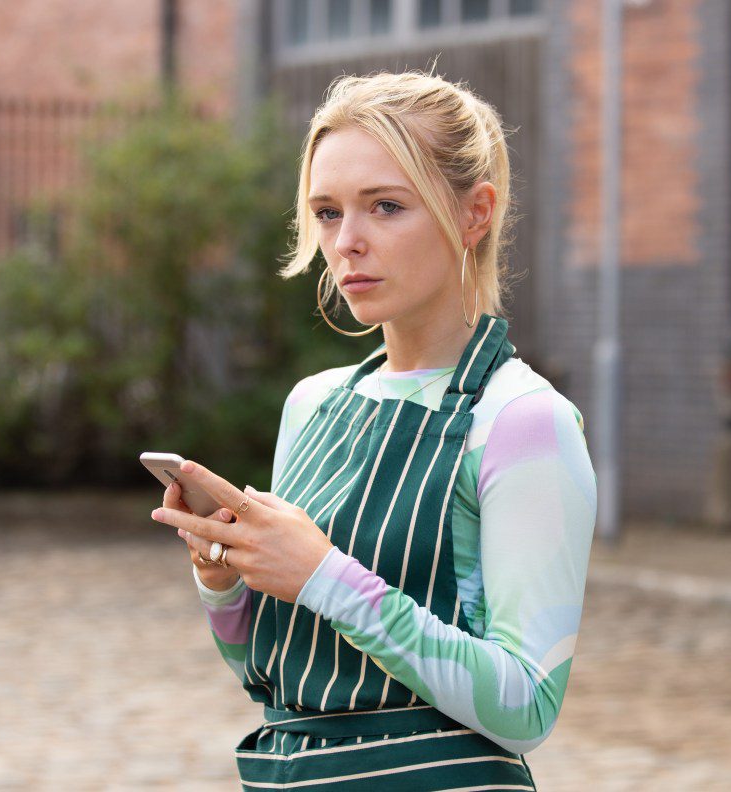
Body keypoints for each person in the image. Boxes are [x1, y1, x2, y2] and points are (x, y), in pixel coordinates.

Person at [150, 68, 597, 791]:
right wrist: (223, 580)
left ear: (475, 213)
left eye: (385, 207)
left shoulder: (523, 421)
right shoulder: (314, 405)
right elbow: (281, 685)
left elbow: (526, 706)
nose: (347, 242)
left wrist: (326, 577)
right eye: (327, 213)